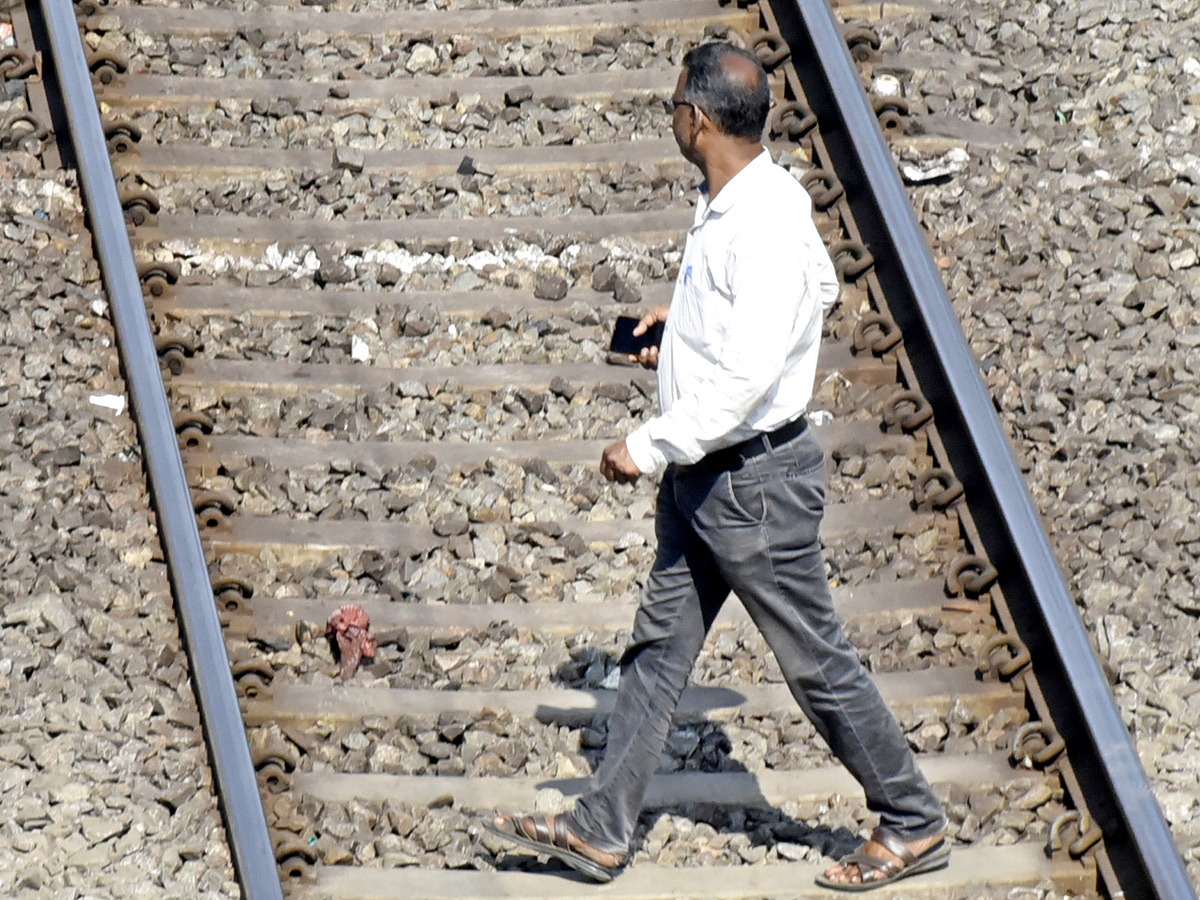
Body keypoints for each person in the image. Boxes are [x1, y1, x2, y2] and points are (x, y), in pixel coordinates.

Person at [486, 42, 949, 892]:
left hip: (754, 485)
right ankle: (601, 826)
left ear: (696, 119)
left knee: (815, 661)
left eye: (672, 106)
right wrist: (684, 329)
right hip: (713, 482)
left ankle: (913, 818)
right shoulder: (743, 198)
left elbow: (744, 380)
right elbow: (818, 291)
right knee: (659, 652)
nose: (670, 117)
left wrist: (651, 441)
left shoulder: (762, 219)